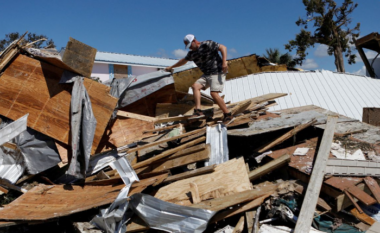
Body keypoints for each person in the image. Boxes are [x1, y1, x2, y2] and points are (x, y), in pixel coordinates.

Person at [165, 34, 234, 125]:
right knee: (195, 86)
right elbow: (183, 61)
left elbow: (223, 47)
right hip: (207, 74)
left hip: (217, 71)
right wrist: (171, 67)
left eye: (190, 45)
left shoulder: (207, 44)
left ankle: (228, 115)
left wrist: (224, 62)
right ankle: (198, 111)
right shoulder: (192, 53)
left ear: (194, 41)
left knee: (213, 93)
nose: (190, 48)